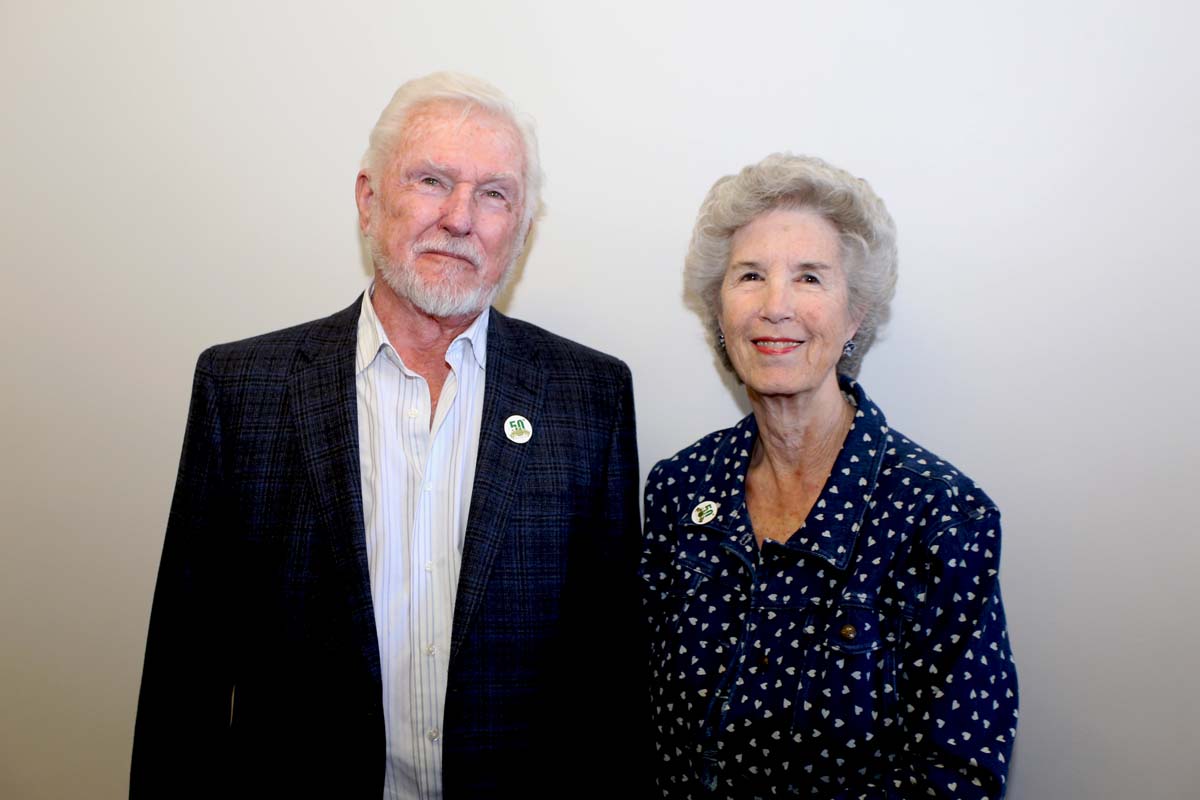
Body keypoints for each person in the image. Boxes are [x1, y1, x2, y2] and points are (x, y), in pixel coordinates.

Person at [131, 72, 642, 799]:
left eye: (494, 194)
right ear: (370, 200)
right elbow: (188, 674)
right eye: (432, 180)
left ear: (522, 225)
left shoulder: (590, 397)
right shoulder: (242, 390)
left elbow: (611, 679)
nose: (461, 218)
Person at [640, 153, 1018, 798]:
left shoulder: (940, 512)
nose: (775, 306)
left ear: (854, 317)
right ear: (720, 312)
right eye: (750, 275)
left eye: (810, 278)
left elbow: (959, 772)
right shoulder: (681, 488)